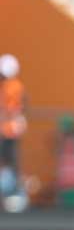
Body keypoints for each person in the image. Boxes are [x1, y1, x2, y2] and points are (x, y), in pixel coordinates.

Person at [0, 54, 27, 210]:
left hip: (9, 131)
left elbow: (10, 110)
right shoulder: (12, 85)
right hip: (8, 130)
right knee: (10, 164)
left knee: (10, 163)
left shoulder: (12, 86)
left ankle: (16, 195)